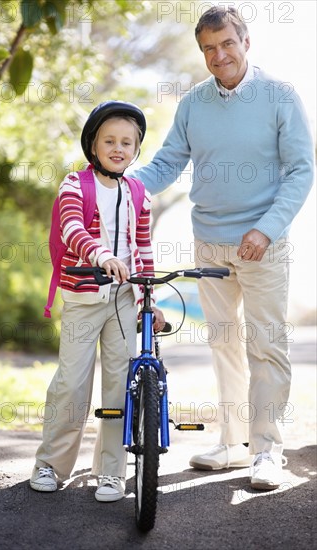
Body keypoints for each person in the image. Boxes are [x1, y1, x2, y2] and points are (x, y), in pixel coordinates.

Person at [134, 6, 314, 490]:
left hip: (263, 245)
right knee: (223, 343)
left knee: (266, 346)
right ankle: (233, 444)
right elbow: (167, 162)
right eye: (209, 49)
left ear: (246, 41)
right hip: (209, 243)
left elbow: (302, 170)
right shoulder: (194, 102)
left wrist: (267, 228)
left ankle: (267, 450)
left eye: (226, 44)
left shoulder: (280, 96)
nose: (219, 55)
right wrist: (120, 184)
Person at [30, 100, 165, 501]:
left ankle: (110, 471)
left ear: (136, 149)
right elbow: (71, 227)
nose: (118, 148)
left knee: (120, 386)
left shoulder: (139, 192)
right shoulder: (75, 184)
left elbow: (143, 250)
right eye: (110, 140)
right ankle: (51, 464)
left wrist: (148, 300)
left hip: (125, 300)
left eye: (127, 142)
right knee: (71, 384)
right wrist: (101, 256)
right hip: (84, 295)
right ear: (94, 144)